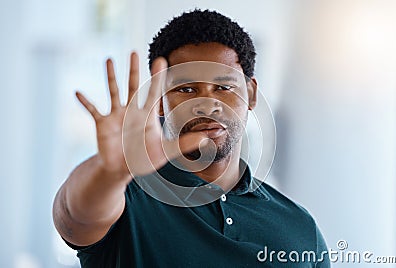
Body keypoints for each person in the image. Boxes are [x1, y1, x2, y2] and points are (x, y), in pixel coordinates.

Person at [53, 9, 331, 267]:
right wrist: (109, 173)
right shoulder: (127, 198)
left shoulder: (301, 229)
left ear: (252, 94)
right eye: (186, 89)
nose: (207, 104)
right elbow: (73, 215)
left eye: (223, 87)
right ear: (160, 101)